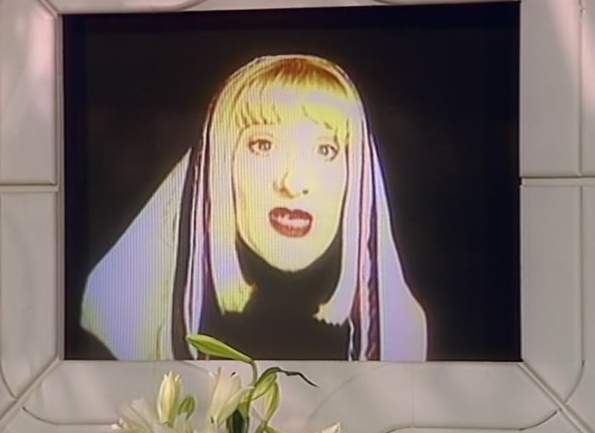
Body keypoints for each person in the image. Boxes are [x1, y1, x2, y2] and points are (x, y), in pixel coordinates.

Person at [81, 54, 427, 361]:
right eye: (263, 145)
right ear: (219, 165)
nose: (294, 182)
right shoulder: (123, 318)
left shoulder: (401, 338)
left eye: (326, 150)